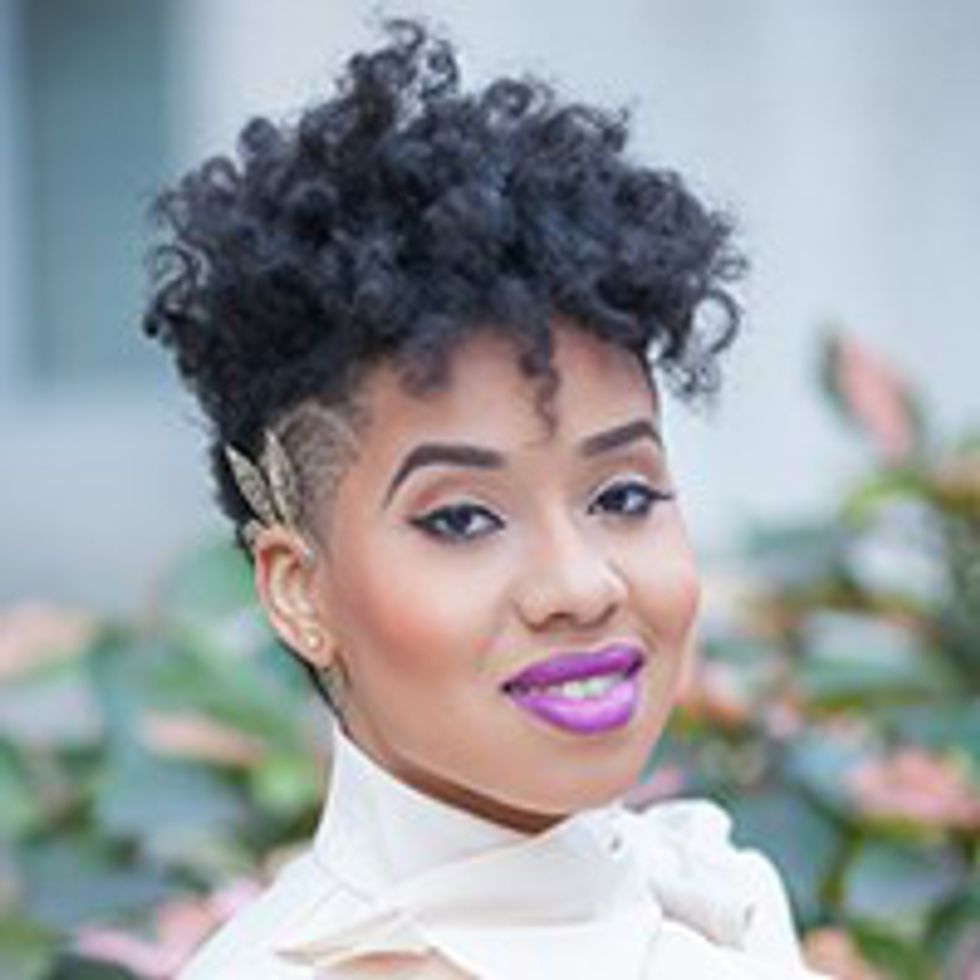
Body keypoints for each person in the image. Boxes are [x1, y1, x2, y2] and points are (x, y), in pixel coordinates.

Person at [142, 19, 829, 979]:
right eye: (462, 518)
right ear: (299, 590)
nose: (579, 586)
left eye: (623, 496)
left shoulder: (714, 894)